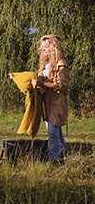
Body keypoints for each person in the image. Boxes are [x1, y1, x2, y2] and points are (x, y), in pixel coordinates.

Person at [31, 35, 69, 164]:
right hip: (46, 103)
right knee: (56, 131)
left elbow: (62, 85)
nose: (43, 50)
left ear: (53, 48)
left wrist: (42, 84)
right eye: (42, 48)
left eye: (46, 48)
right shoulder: (45, 65)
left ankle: (55, 160)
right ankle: (63, 154)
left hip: (56, 103)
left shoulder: (61, 64)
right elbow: (39, 79)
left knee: (52, 133)